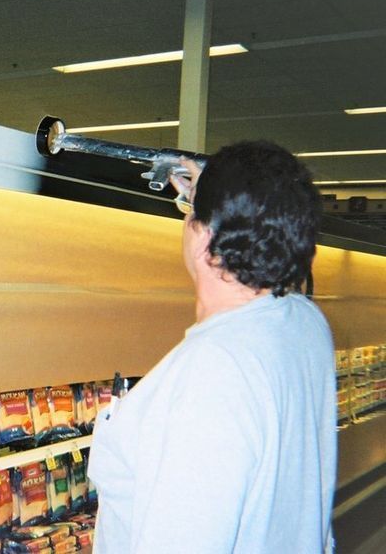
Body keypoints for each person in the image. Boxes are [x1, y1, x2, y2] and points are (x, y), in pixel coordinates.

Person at [87, 141, 336, 553]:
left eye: (190, 213)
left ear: (205, 238)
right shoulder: (305, 325)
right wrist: (221, 198)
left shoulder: (211, 372)